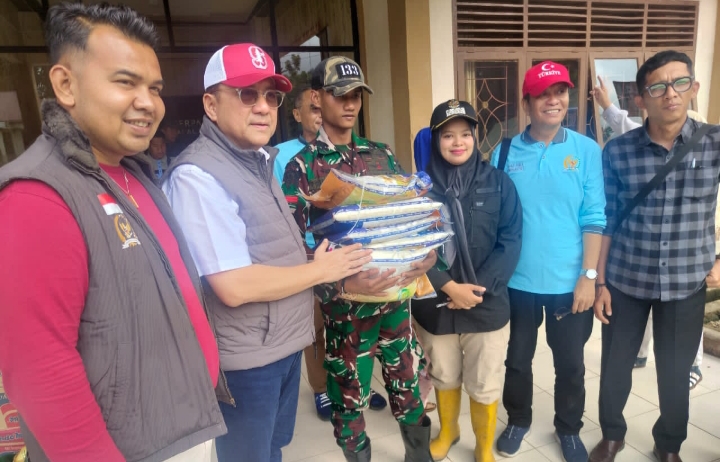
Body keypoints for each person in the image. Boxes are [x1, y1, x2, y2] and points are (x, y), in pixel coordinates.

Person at [0, 4, 226, 462]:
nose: (148, 103)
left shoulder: (131, 173)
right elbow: (41, 370)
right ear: (65, 84)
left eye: (155, 88)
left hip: (184, 425)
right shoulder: (37, 198)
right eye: (126, 82)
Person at [161, 43, 370, 462]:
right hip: (247, 361)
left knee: (273, 448)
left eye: (271, 96)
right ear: (211, 105)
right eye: (246, 94)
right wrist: (321, 271)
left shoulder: (256, 160)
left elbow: (267, 251)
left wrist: (318, 262)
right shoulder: (198, 176)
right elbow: (233, 285)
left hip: (281, 344)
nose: (263, 107)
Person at [282, 56, 436, 462]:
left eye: (356, 95)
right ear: (317, 98)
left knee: (409, 390)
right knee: (349, 403)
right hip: (346, 313)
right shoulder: (302, 166)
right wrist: (342, 283)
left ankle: (418, 456)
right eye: (340, 95)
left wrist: (425, 252)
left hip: (395, 303)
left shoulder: (381, 154)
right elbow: (293, 247)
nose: (350, 103)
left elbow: (406, 214)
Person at [590, 50, 720, 462]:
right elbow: (607, 219)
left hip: (686, 281)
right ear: (641, 99)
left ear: (693, 88)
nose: (670, 94)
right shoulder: (618, 151)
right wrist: (600, 282)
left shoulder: (715, 144)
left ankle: (668, 444)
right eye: (658, 87)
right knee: (615, 366)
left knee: (675, 373)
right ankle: (612, 434)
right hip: (626, 279)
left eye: (679, 83)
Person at [491, 61, 607, 462]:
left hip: (569, 282)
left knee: (570, 364)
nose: (553, 100)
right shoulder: (504, 151)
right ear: (527, 103)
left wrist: (588, 276)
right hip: (517, 280)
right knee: (517, 359)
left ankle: (569, 428)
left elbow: (594, 217)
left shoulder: (586, 151)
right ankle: (518, 419)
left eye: (560, 92)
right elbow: (493, 214)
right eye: (542, 94)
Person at [412, 100, 522, 462]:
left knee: (485, 380)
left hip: (486, 303)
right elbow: (414, 246)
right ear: (435, 141)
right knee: (443, 374)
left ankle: (483, 446)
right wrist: (448, 286)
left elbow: (511, 241)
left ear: (475, 137)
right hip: (435, 303)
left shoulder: (499, 184)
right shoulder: (419, 191)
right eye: (448, 135)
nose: (457, 142)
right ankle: (449, 432)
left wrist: (475, 291)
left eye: (465, 134)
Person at [274, 87, 387, 421]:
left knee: (363, 330)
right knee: (317, 330)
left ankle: (361, 385)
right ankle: (321, 387)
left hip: (359, 258)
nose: (318, 115)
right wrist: (310, 263)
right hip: (311, 261)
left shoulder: (365, 153)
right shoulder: (286, 157)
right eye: (312, 109)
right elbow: (284, 216)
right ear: (300, 114)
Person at [590, 76, 707, 389]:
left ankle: (693, 364)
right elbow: (624, 125)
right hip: (641, 256)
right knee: (638, 308)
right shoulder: (644, 142)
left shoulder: (707, 148)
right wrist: (606, 103)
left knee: (685, 318)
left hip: (687, 258)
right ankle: (640, 354)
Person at [273, 86, 322, 183]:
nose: (322, 115)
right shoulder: (278, 155)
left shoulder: (346, 150)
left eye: (326, 109)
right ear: (297, 115)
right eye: (315, 109)